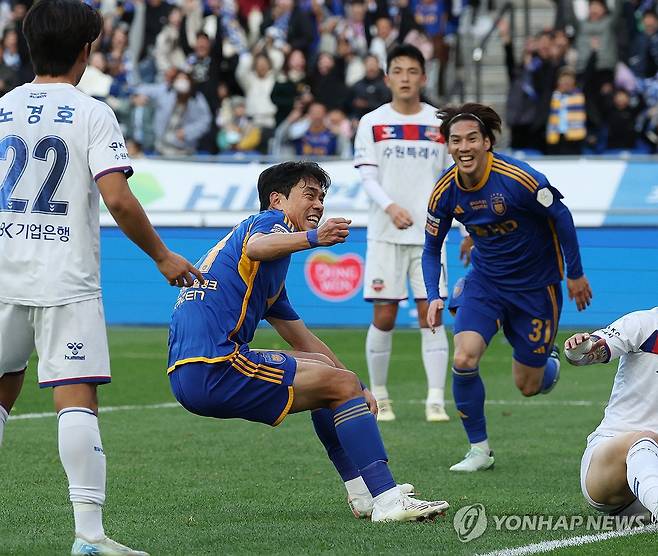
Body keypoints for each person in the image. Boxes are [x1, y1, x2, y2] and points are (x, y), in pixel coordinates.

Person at [0, 1, 203, 555]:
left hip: (3, 274)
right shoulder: (91, 112)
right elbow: (117, 196)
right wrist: (162, 256)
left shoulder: (2, 108)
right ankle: (88, 536)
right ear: (86, 50)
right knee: (75, 399)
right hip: (64, 278)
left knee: (0, 393)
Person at [167, 161, 449, 522]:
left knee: (331, 379)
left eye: (322, 197)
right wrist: (315, 238)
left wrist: (358, 387)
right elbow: (259, 245)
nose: (318, 204)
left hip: (192, 370)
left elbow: (302, 339)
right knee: (339, 385)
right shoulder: (267, 223)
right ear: (277, 199)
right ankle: (389, 499)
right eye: (309, 195)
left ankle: (365, 494)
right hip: (215, 366)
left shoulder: (261, 270)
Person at [422, 103, 593, 472]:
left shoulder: (521, 179)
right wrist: (434, 295)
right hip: (485, 283)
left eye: (472, 139)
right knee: (464, 357)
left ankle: (547, 362)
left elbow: (561, 216)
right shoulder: (444, 192)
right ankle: (479, 450)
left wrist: (575, 274)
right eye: (455, 141)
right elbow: (431, 247)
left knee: (528, 386)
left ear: (487, 143)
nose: (463, 147)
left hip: (536, 289)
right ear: (447, 146)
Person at [353, 43, 451, 423]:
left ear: (423, 77)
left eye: (413, 71)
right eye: (399, 70)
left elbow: (449, 178)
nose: (406, 78)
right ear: (388, 76)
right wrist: (391, 207)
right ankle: (380, 396)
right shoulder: (372, 122)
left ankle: (436, 400)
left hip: (430, 237)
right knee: (385, 315)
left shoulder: (439, 122)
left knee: (433, 314)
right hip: (384, 234)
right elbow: (367, 174)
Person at [565, 307, 658, 521]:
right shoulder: (642, 324)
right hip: (609, 466)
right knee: (644, 440)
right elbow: (592, 351)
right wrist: (579, 350)